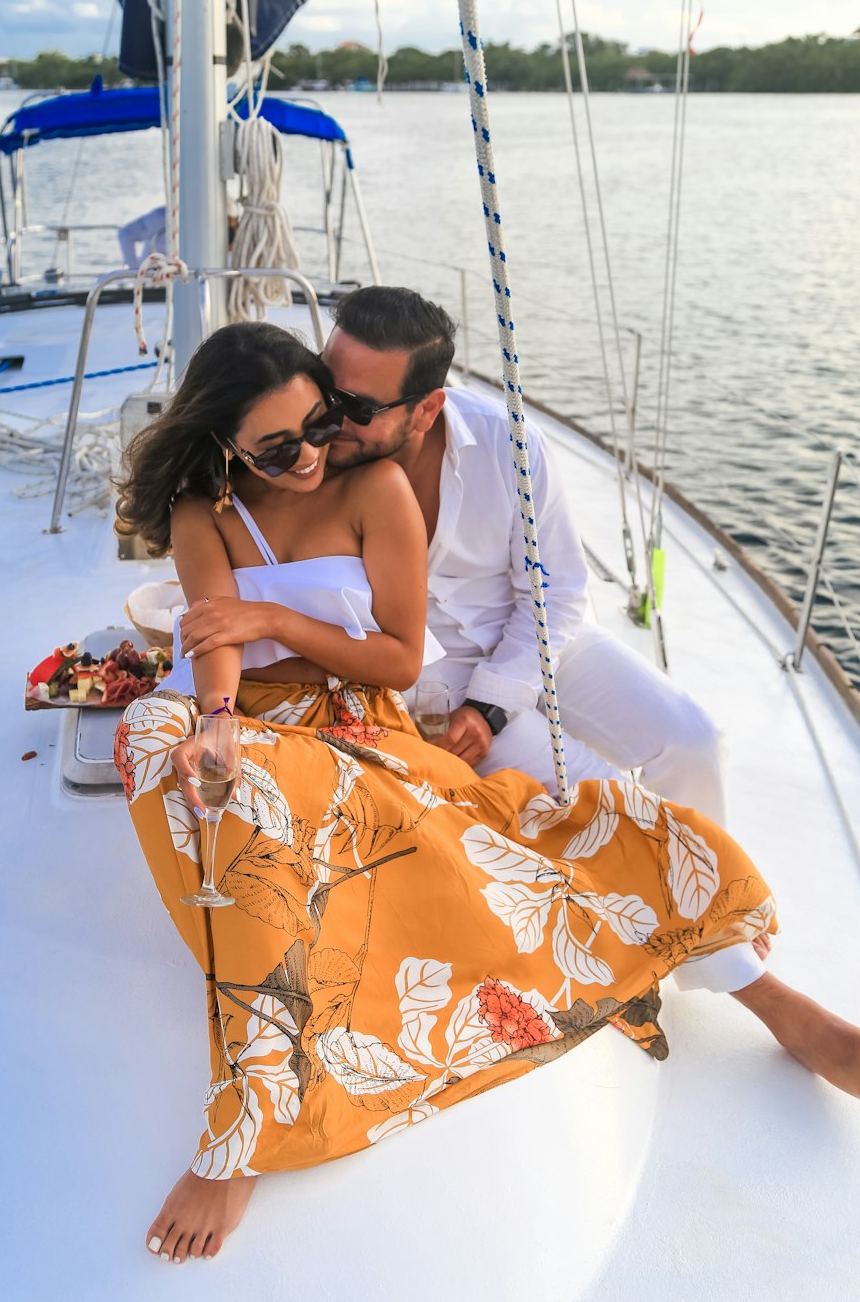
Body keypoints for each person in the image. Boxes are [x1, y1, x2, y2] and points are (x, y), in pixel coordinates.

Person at [112, 321, 858, 1267]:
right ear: (224, 443)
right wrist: (216, 715)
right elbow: (212, 633)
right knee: (162, 740)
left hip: (358, 719)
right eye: (276, 445)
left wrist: (273, 615)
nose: (307, 456)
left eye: (319, 424)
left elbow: (397, 656)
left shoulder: (371, 484)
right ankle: (264, 1083)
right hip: (254, 719)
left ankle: (245, 1128)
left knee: (450, 838)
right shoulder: (201, 510)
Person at [322, 286, 728, 821]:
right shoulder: (312, 460)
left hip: (543, 644)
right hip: (438, 685)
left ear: (425, 411)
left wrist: (493, 704)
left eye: (359, 407)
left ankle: (720, 902)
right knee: (617, 811)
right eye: (326, 389)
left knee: (695, 742)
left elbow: (555, 590)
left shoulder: (509, 442)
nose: (331, 417)